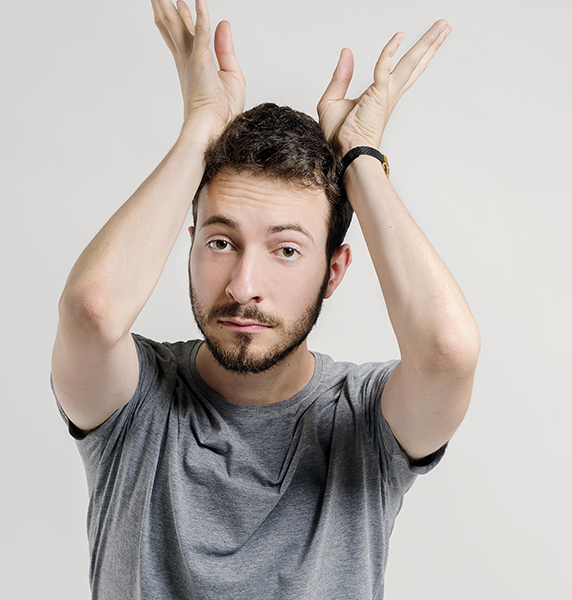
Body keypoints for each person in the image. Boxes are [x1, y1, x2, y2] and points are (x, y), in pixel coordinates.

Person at [51, 0, 480, 597]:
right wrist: (202, 123)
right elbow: (92, 311)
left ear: (333, 271)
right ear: (192, 244)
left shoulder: (363, 420)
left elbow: (448, 350)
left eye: (285, 251)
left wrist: (359, 157)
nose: (242, 285)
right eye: (223, 241)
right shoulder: (134, 401)